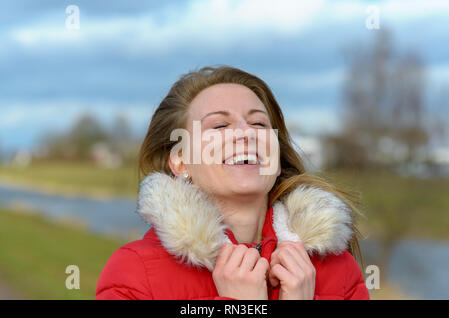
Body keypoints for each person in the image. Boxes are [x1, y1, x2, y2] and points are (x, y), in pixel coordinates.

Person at [95, 66, 370, 300]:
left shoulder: (339, 270)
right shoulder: (134, 272)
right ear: (180, 161)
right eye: (219, 126)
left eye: (259, 124)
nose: (245, 133)